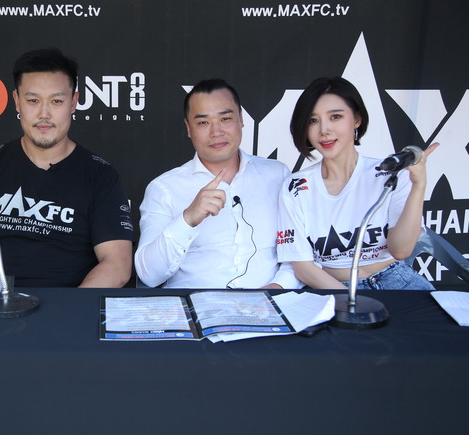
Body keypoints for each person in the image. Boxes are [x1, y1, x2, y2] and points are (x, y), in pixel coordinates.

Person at [0, 48, 133, 287]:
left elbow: (117, 264)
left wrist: (69, 307)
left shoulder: (101, 175)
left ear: (73, 102)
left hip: (68, 305)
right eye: (33, 101)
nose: (44, 114)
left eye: (56, 101)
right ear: (16, 101)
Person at [135, 79, 299, 289]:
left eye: (225, 119)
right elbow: (148, 275)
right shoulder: (164, 188)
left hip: (271, 304)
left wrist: (277, 288)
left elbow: (299, 253)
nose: (216, 132)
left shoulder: (278, 175)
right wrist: (187, 219)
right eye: (203, 123)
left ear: (241, 119)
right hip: (194, 306)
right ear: (188, 128)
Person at [277, 76, 437, 290]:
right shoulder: (296, 186)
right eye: (313, 120)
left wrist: (418, 185)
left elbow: (401, 251)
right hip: (332, 287)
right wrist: (351, 300)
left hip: (397, 281)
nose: (324, 130)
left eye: (335, 117)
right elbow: (302, 267)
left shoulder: (391, 172)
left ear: (357, 120)